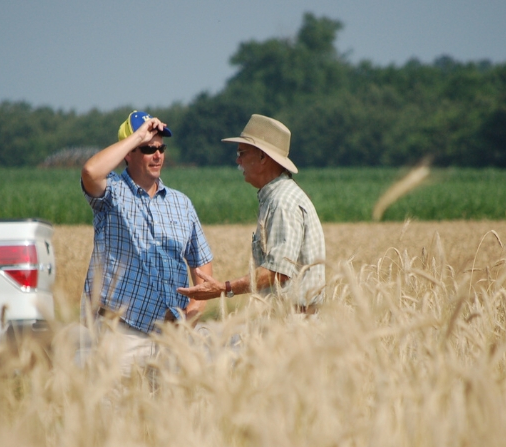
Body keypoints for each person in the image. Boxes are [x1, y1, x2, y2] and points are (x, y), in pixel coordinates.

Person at [80, 110, 214, 375]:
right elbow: (90, 171)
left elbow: (204, 270)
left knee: (169, 416)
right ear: (128, 153)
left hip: (170, 338)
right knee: (117, 416)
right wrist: (137, 135)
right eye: (147, 148)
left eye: (161, 148)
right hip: (121, 335)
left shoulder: (181, 204)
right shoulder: (112, 194)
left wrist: (188, 319)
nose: (158, 155)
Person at [178, 114, 325, 313]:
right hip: (288, 320)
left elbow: (278, 271)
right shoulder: (276, 197)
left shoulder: (283, 202)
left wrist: (225, 288)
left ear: (263, 157)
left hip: (294, 324)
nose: (237, 160)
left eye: (242, 152)